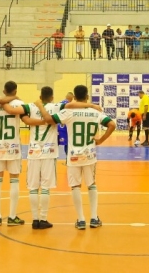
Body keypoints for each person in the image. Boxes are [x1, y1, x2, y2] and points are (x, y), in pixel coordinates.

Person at [39, 85, 115, 230]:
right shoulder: (95, 112)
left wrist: (39, 106)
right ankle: (94, 218)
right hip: (89, 155)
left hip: (73, 155)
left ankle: (80, 220)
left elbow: (48, 119)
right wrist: (100, 140)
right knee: (91, 185)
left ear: (74, 97)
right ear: (87, 97)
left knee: (75, 186)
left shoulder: (68, 112)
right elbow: (112, 124)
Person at [0, 80, 35, 225]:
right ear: (15, 91)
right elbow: (27, 119)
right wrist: (16, 98)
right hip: (13, 147)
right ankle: (12, 216)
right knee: (14, 180)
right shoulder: (19, 104)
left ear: (4, 91)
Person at [23, 87, 62, 229]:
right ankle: (43, 218)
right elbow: (73, 104)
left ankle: (35, 220)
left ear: (40, 96)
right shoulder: (57, 107)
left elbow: (17, 112)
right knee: (45, 187)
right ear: (52, 97)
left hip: (33, 151)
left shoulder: (30, 107)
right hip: (49, 152)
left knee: (33, 188)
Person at [57, 91, 74, 156]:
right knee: (67, 143)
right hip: (66, 127)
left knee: (56, 143)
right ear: (71, 98)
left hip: (58, 127)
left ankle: (53, 158)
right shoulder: (70, 105)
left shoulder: (59, 104)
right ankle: (68, 158)